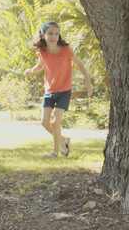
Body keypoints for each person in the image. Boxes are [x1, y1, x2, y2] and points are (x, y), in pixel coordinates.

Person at [23, 21, 92, 158]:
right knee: (44, 122)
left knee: (55, 122)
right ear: (43, 35)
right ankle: (63, 140)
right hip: (49, 91)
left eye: (56, 33)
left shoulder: (66, 50)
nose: (54, 36)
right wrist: (30, 71)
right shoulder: (42, 51)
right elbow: (40, 66)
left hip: (64, 91)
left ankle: (55, 152)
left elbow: (80, 64)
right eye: (50, 33)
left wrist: (88, 82)